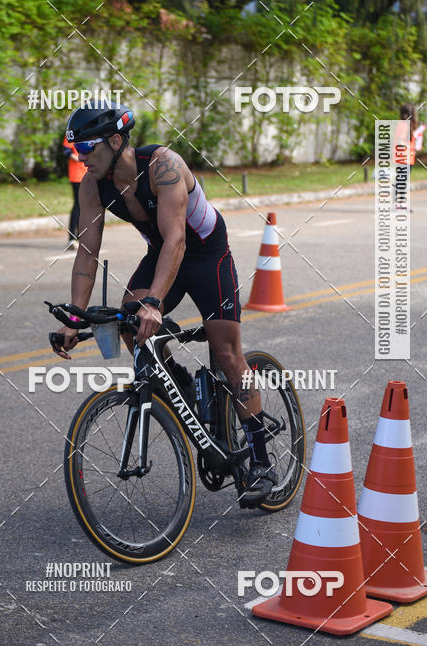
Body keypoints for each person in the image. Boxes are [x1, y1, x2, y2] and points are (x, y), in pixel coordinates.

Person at [51, 102, 276, 504]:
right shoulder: (93, 183)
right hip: (163, 253)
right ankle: (183, 385)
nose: (80, 157)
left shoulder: (162, 166)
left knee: (225, 352)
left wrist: (154, 303)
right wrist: (73, 316)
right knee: (128, 323)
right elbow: (87, 251)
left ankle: (262, 460)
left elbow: (177, 239)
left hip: (207, 254)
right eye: (76, 149)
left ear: (116, 141)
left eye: (87, 148)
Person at [63, 134, 87, 247]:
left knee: (86, 206)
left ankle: (80, 237)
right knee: (78, 205)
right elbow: (66, 150)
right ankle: (72, 238)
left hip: (89, 174)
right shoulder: (73, 132)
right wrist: (77, 158)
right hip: (77, 175)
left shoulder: (90, 132)